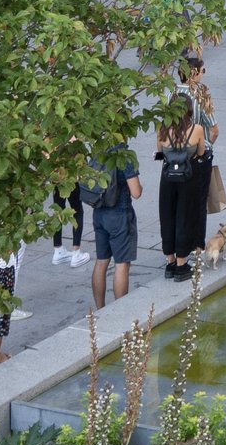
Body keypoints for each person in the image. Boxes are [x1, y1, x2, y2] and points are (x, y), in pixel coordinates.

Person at [155, 73, 216, 282]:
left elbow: (160, 154)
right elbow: (200, 153)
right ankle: (182, 264)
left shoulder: (162, 130)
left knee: (167, 217)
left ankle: (170, 262)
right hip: (187, 178)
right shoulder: (196, 129)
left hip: (167, 178)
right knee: (184, 217)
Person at [84, 147, 142, 311]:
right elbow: (136, 192)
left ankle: (100, 310)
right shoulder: (125, 156)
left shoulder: (98, 152)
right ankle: (120, 311)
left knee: (101, 261)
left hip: (99, 212)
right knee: (122, 265)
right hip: (120, 214)